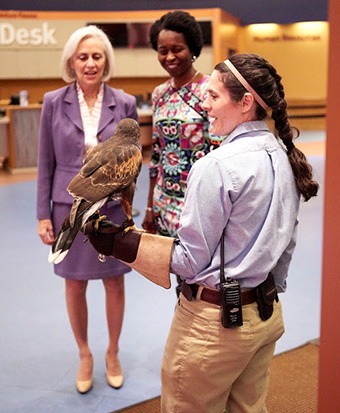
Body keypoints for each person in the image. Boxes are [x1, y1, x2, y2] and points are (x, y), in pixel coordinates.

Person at [84, 53, 319, 412]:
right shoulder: (286, 154)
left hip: (214, 329)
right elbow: (286, 242)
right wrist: (262, 294)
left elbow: (188, 263)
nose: (203, 105)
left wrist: (119, 242)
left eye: (213, 97)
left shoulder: (217, 166)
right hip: (266, 317)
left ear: (245, 103)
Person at [36, 25, 138, 394]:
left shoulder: (124, 102)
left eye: (97, 56)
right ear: (72, 62)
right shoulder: (52, 101)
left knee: (114, 281)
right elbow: (44, 161)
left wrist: (128, 213)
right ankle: (84, 354)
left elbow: (130, 162)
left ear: (106, 61)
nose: (90, 63)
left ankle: (112, 352)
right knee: (74, 284)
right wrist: (42, 214)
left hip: (111, 210)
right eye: (83, 57)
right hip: (68, 208)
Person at [142, 11, 224, 296]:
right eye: (162, 51)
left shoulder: (210, 89)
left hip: (199, 202)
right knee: (181, 279)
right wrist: (150, 206)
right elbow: (157, 154)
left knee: (207, 278)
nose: (169, 57)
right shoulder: (159, 94)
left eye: (177, 49)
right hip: (165, 202)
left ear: (193, 50)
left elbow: (218, 150)